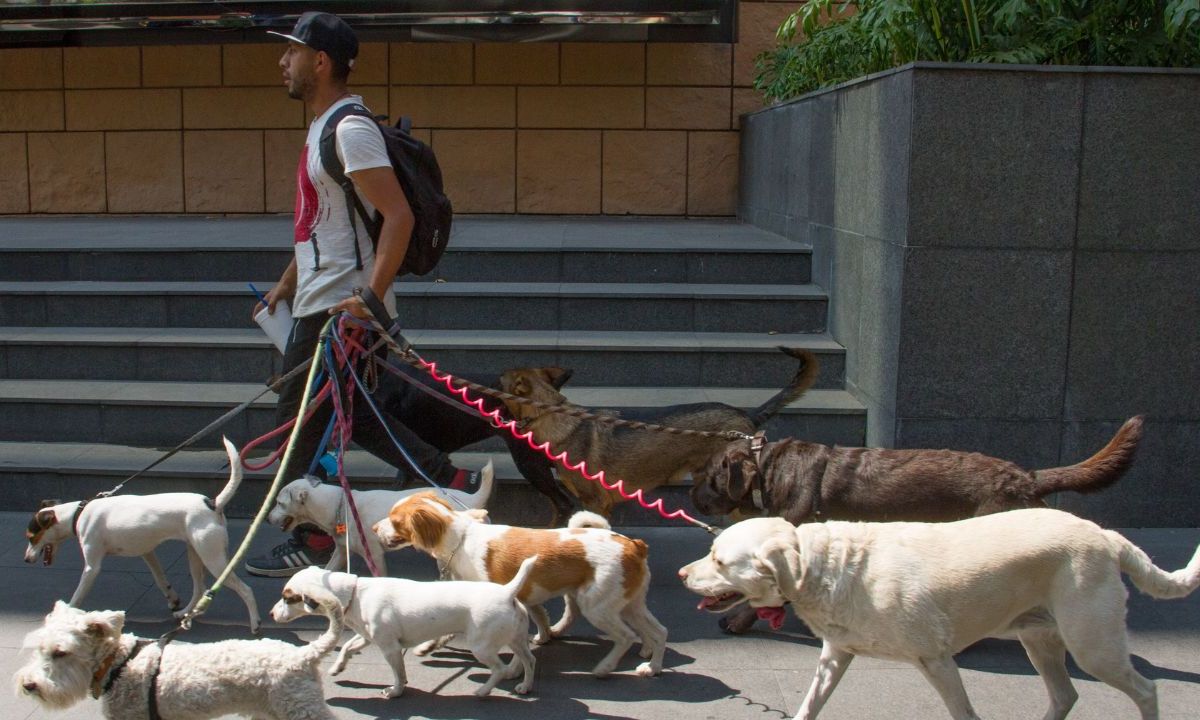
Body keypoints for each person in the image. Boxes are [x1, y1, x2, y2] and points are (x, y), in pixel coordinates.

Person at [244, 12, 491, 577]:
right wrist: (288, 281)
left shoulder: (350, 130)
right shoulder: (322, 126)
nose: (283, 62)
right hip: (321, 297)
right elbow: (324, 223)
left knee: (299, 423)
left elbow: (398, 217)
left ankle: (310, 538)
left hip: (342, 309)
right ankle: (445, 478)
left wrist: (369, 302)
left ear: (321, 61)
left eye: (292, 53)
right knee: (350, 409)